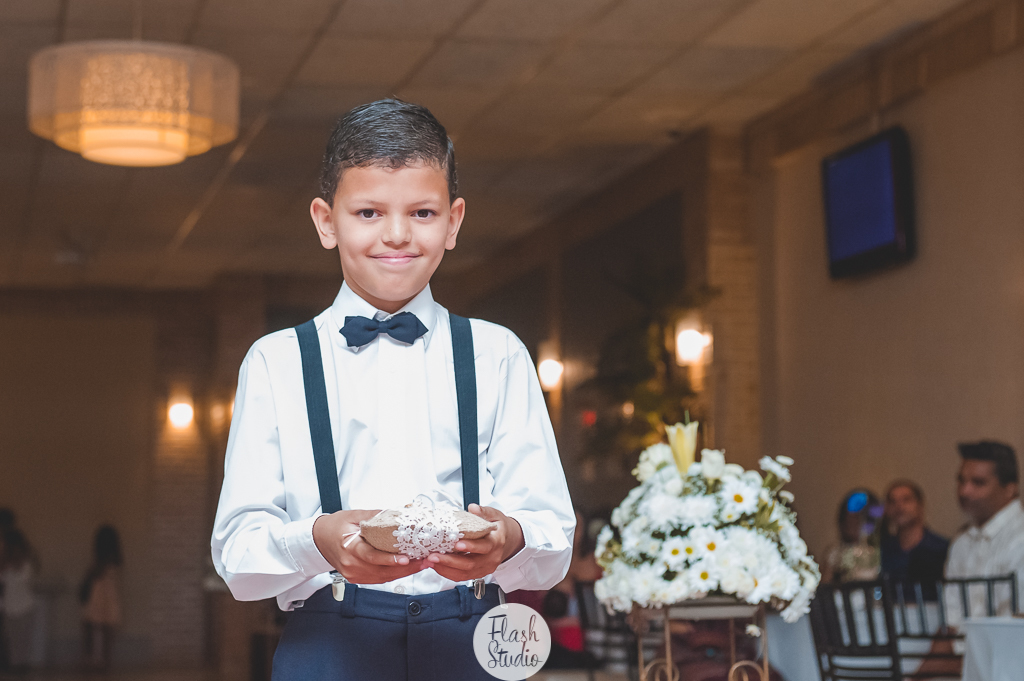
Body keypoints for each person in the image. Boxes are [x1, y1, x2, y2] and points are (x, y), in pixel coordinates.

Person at [211, 99, 576, 681]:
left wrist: (509, 538)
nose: (398, 234)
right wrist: (318, 541)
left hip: (474, 637)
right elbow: (237, 555)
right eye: (369, 212)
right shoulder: (276, 361)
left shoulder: (498, 354)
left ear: (453, 222)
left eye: (423, 212)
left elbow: (554, 537)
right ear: (326, 222)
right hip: (329, 643)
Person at [945, 440, 1024, 613]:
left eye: (978, 482)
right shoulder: (962, 541)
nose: (964, 491)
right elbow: (952, 612)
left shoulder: (1020, 537)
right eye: (961, 481)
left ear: (1010, 489)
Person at [880, 480, 948, 591]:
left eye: (906, 500)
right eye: (892, 502)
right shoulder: (882, 551)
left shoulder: (942, 549)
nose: (899, 506)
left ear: (920, 505)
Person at [80, 525, 122, 671]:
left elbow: (95, 575)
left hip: (98, 599)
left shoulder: (102, 562)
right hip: (109, 599)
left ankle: (94, 661)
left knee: (93, 631)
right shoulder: (115, 560)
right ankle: (104, 662)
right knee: (106, 633)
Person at [822, 489, 883, 583]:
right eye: (850, 520)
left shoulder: (880, 552)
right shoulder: (835, 552)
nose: (854, 524)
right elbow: (826, 584)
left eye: (859, 520)